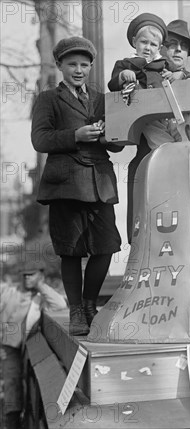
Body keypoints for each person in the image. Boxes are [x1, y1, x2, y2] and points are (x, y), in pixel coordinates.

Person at [31, 36, 122, 336]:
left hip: (99, 182)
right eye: (72, 64)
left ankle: (89, 303)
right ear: (59, 66)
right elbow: (40, 139)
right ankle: (76, 312)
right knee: (70, 251)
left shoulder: (101, 99)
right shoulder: (48, 99)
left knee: (107, 245)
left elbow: (117, 145)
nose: (79, 69)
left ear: (92, 67)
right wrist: (75, 136)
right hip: (65, 183)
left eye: (84, 64)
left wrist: (108, 135)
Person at [123, 18, 190, 242]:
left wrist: (183, 76)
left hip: (186, 171)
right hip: (148, 165)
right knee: (147, 235)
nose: (178, 50)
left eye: (184, 47)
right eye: (173, 44)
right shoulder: (143, 74)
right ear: (161, 48)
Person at [1, 261, 67, 428]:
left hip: (29, 347)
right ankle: (12, 422)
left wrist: (41, 286)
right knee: (12, 382)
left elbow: (60, 305)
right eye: (25, 275)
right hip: (8, 347)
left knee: (27, 384)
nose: (27, 277)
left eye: (32, 274)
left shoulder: (40, 297)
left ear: (41, 275)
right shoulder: (11, 292)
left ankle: (24, 418)